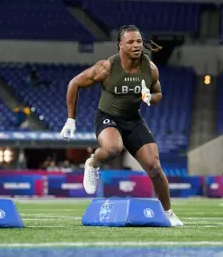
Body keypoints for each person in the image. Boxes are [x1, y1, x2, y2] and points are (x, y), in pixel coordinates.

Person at [60, 24, 183, 226]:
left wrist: (148, 98)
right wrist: (71, 120)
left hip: (133, 120)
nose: (137, 45)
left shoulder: (150, 68)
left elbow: (158, 95)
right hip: (108, 116)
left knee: (154, 167)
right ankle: (92, 163)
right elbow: (75, 83)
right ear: (120, 45)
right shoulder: (106, 68)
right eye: (131, 42)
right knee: (113, 148)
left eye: (139, 41)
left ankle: (168, 214)